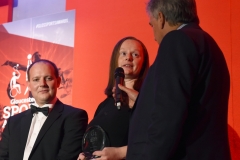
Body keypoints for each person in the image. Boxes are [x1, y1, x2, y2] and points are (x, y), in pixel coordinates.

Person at [124, 0, 231, 159]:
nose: (153, 36)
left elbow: (167, 118)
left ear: (161, 18)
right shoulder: (207, 43)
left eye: (151, 25)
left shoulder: (176, 40)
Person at [0, 59, 88, 160]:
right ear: (28, 85)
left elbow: (67, 157)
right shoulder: (13, 122)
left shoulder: (75, 117)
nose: (42, 84)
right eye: (36, 79)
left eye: (48, 78)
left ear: (58, 82)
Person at [78, 36, 149, 160]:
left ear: (143, 63)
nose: (129, 57)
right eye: (123, 53)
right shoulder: (104, 104)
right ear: (115, 60)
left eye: (136, 54)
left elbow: (157, 139)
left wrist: (120, 153)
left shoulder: (148, 99)